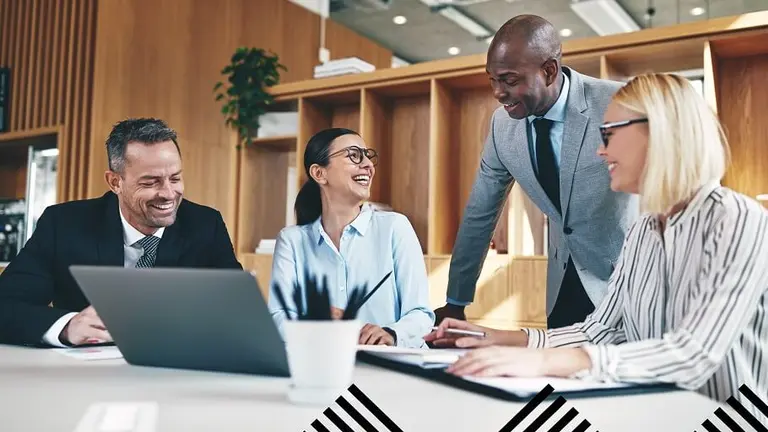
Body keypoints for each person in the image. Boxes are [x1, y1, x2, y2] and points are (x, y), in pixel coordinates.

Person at [426, 73, 768, 421]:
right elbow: (600, 330)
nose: (600, 150)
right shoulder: (643, 232)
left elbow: (694, 353)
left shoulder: (738, 220)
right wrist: (496, 338)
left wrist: (547, 360)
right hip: (660, 417)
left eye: (609, 133)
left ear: (660, 131)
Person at [433, 14, 639, 328]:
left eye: (509, 80)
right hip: (563, 286)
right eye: (492, 79)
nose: (498, 92)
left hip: (629, 280)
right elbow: (481, 211)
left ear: (548, 70)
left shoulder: (619, 102)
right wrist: (456, 301)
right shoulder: (502, 126)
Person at [0, 118, 242, 347]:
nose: (168, 193)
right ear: (115, 182)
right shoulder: (64, 224)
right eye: (151, 182)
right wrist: (67, 327)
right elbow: (6, 306)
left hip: (176, 373)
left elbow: (237, 313)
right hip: (86, 376)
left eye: (175, 178)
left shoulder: (205, 225)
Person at [268, 128, 434, 348]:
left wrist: (391, 333)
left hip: (389, 367)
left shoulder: (395, 227)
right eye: (354, 155)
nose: (368, 165)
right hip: (325, 364)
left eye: (368, 156)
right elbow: (279, 316)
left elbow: (421, 314)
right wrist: (314, 324)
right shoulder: (292, 241)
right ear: (319, 173)